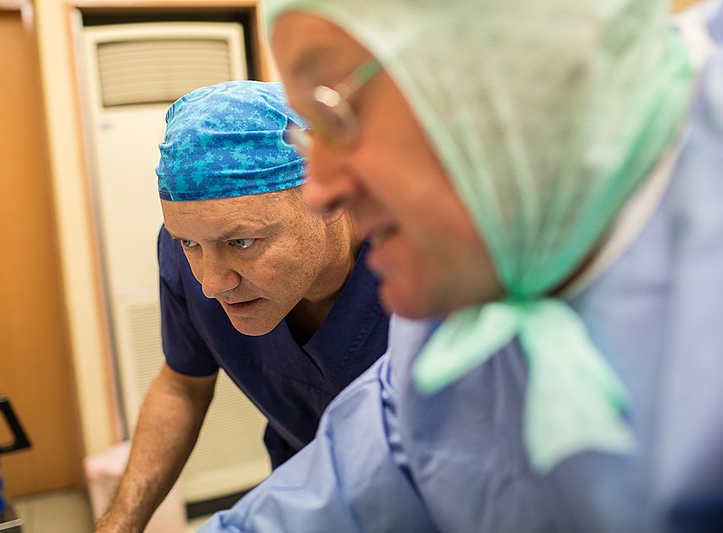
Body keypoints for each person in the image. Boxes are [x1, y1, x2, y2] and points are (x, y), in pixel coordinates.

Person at [197, 0, 723, 531]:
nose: (321, 190)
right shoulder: (464, 295)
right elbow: (349, 488)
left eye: (335, 113)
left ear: (505, 63)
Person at [94, 81, 390, 532]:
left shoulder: (412, 272)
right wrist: (120, 523)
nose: (212, 284)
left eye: (243, 242)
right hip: (301, 493)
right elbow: (182, 385)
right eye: (189, 243)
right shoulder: (184, 257)